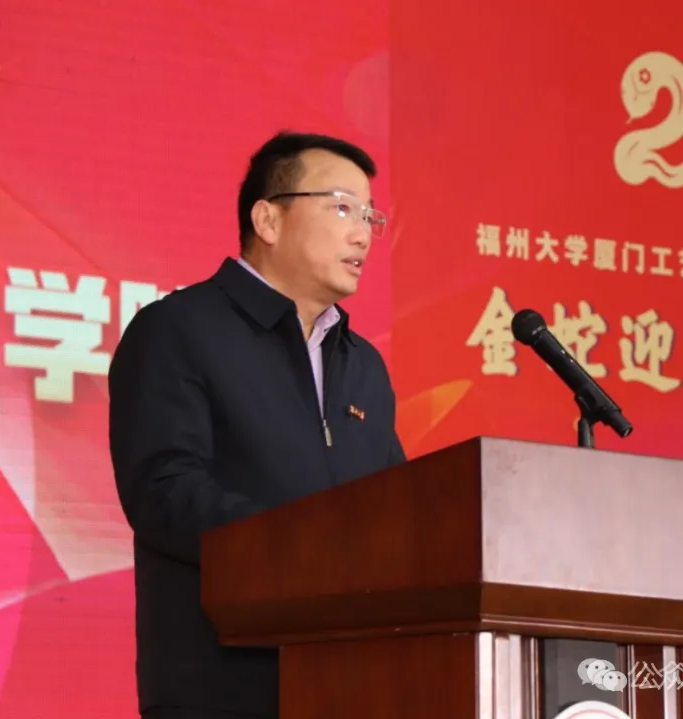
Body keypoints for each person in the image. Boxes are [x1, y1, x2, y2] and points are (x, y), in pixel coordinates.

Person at [107, 131, 407, 719]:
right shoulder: (178, 329)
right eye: (341, 208)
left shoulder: (364, 365)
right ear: (268, 220)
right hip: (223, 689)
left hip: (354, 686)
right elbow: (164, 492)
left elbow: (396, 507)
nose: (362, 234)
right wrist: (310, 544)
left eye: (369, 215)